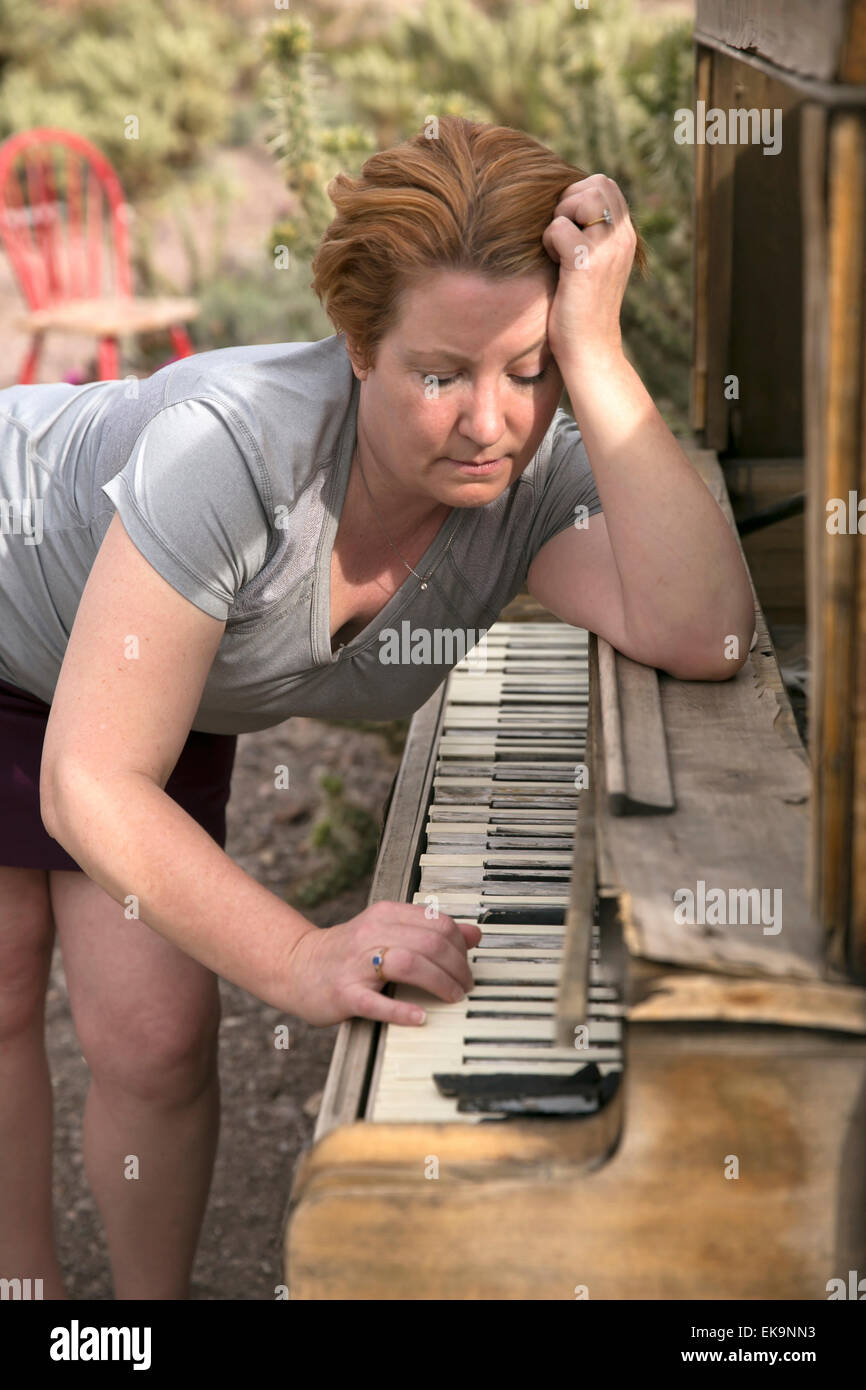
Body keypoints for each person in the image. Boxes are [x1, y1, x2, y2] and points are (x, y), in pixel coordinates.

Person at [0, 116, 755, 1300]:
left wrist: (596, 358)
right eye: (438, 373)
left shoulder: (525, 469)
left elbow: (702, 632)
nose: (485, 423)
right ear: (358, 347)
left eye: (525, 368)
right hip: (17, 592)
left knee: (151, 1030)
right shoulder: (234, 453)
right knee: (5, 980)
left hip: (151, 667)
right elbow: (90, 781)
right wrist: (300, 954)